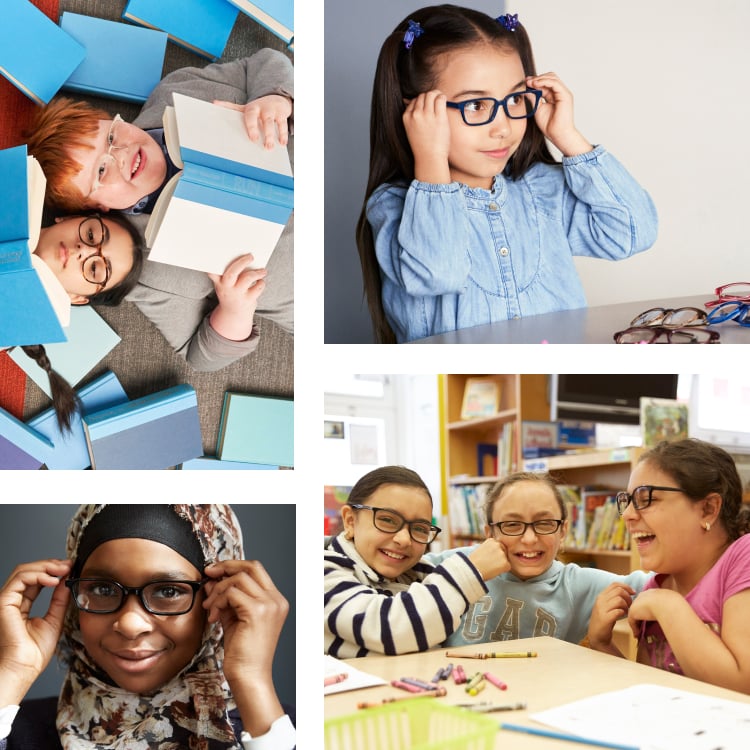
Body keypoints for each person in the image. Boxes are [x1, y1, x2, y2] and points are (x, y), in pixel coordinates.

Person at [355, 6, 658, 343]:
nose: (503, 127)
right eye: (475, 105)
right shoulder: (394, 206)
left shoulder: (542, 191)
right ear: (417, 113)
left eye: (514, 99)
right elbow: (438, 272)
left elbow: (632, 232)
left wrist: (567, 136)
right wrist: (430, 156)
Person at [25, 49, 294, 371]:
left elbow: (262, 61)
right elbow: (200, 357)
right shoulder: (137, 268)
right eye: (101, 172)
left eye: (111, 135)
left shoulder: (178, 90)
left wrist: (277, 98)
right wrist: (235, 310)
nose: (121, 154)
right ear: (94, 208)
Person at [0, 504, 295, 749]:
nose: (130, 625)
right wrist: (13, 671)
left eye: (168, 591)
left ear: (220, 596)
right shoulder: (16, 731)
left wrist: (252, 680)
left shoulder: (282, 729)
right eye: (103, 589)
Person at [587, 439, 750, 694]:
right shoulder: (659, 584)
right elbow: (652, 691)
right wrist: (601, 644)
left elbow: (743, 687)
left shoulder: (744, 557)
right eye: (627, 501)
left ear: (708, 509)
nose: (628, 514)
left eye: (646, 499)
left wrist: (668, 606)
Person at [427, 472, 650, 646]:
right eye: (512, 525)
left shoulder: (576, 584)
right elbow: (399, 575)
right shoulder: (461, 565)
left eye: (544, 524)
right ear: (490, 533)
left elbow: (659, 585)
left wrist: (665, 604)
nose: (530, 539)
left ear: (562, 531)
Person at [324, 465, 511, 658]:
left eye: (420, 529)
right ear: (350, 521)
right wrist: (470, 572)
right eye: (387, 520)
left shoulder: (417, 573)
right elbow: (392, 630)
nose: (404, 539)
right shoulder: (323, 571)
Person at [2, 213, 143, 430]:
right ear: (71, 217)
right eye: (90, 234)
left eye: (94, 269)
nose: (83, 250)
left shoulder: (12, 325)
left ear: (77, 299)